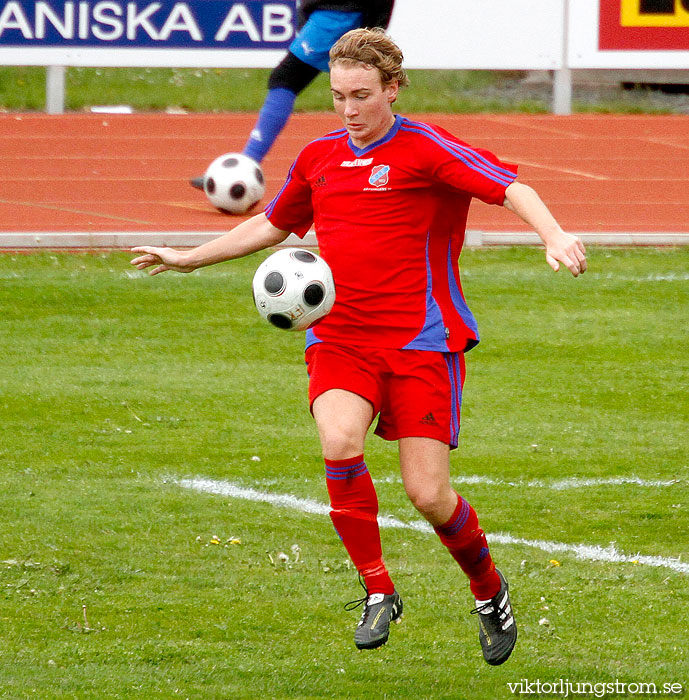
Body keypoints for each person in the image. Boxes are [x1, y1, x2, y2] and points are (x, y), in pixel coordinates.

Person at [132, 28, 587, 666]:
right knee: (338, 442)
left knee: (429, 495)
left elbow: (512, 188)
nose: (349, 110)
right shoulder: (320, 158)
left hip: (422, 341)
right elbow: (273, 223)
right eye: (339, 96)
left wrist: (554, 236)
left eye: (362, 96)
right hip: (341, 338)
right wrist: (188, 258)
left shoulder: (427, 148)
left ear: (392, 89)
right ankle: (378, 588)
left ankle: (488, 591)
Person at [190, 0, 395, 191]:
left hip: (339, 13)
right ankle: (378, 167)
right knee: (356, 88)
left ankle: (245, 166)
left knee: (286, 79)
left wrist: (374, 25)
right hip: (337, 12)